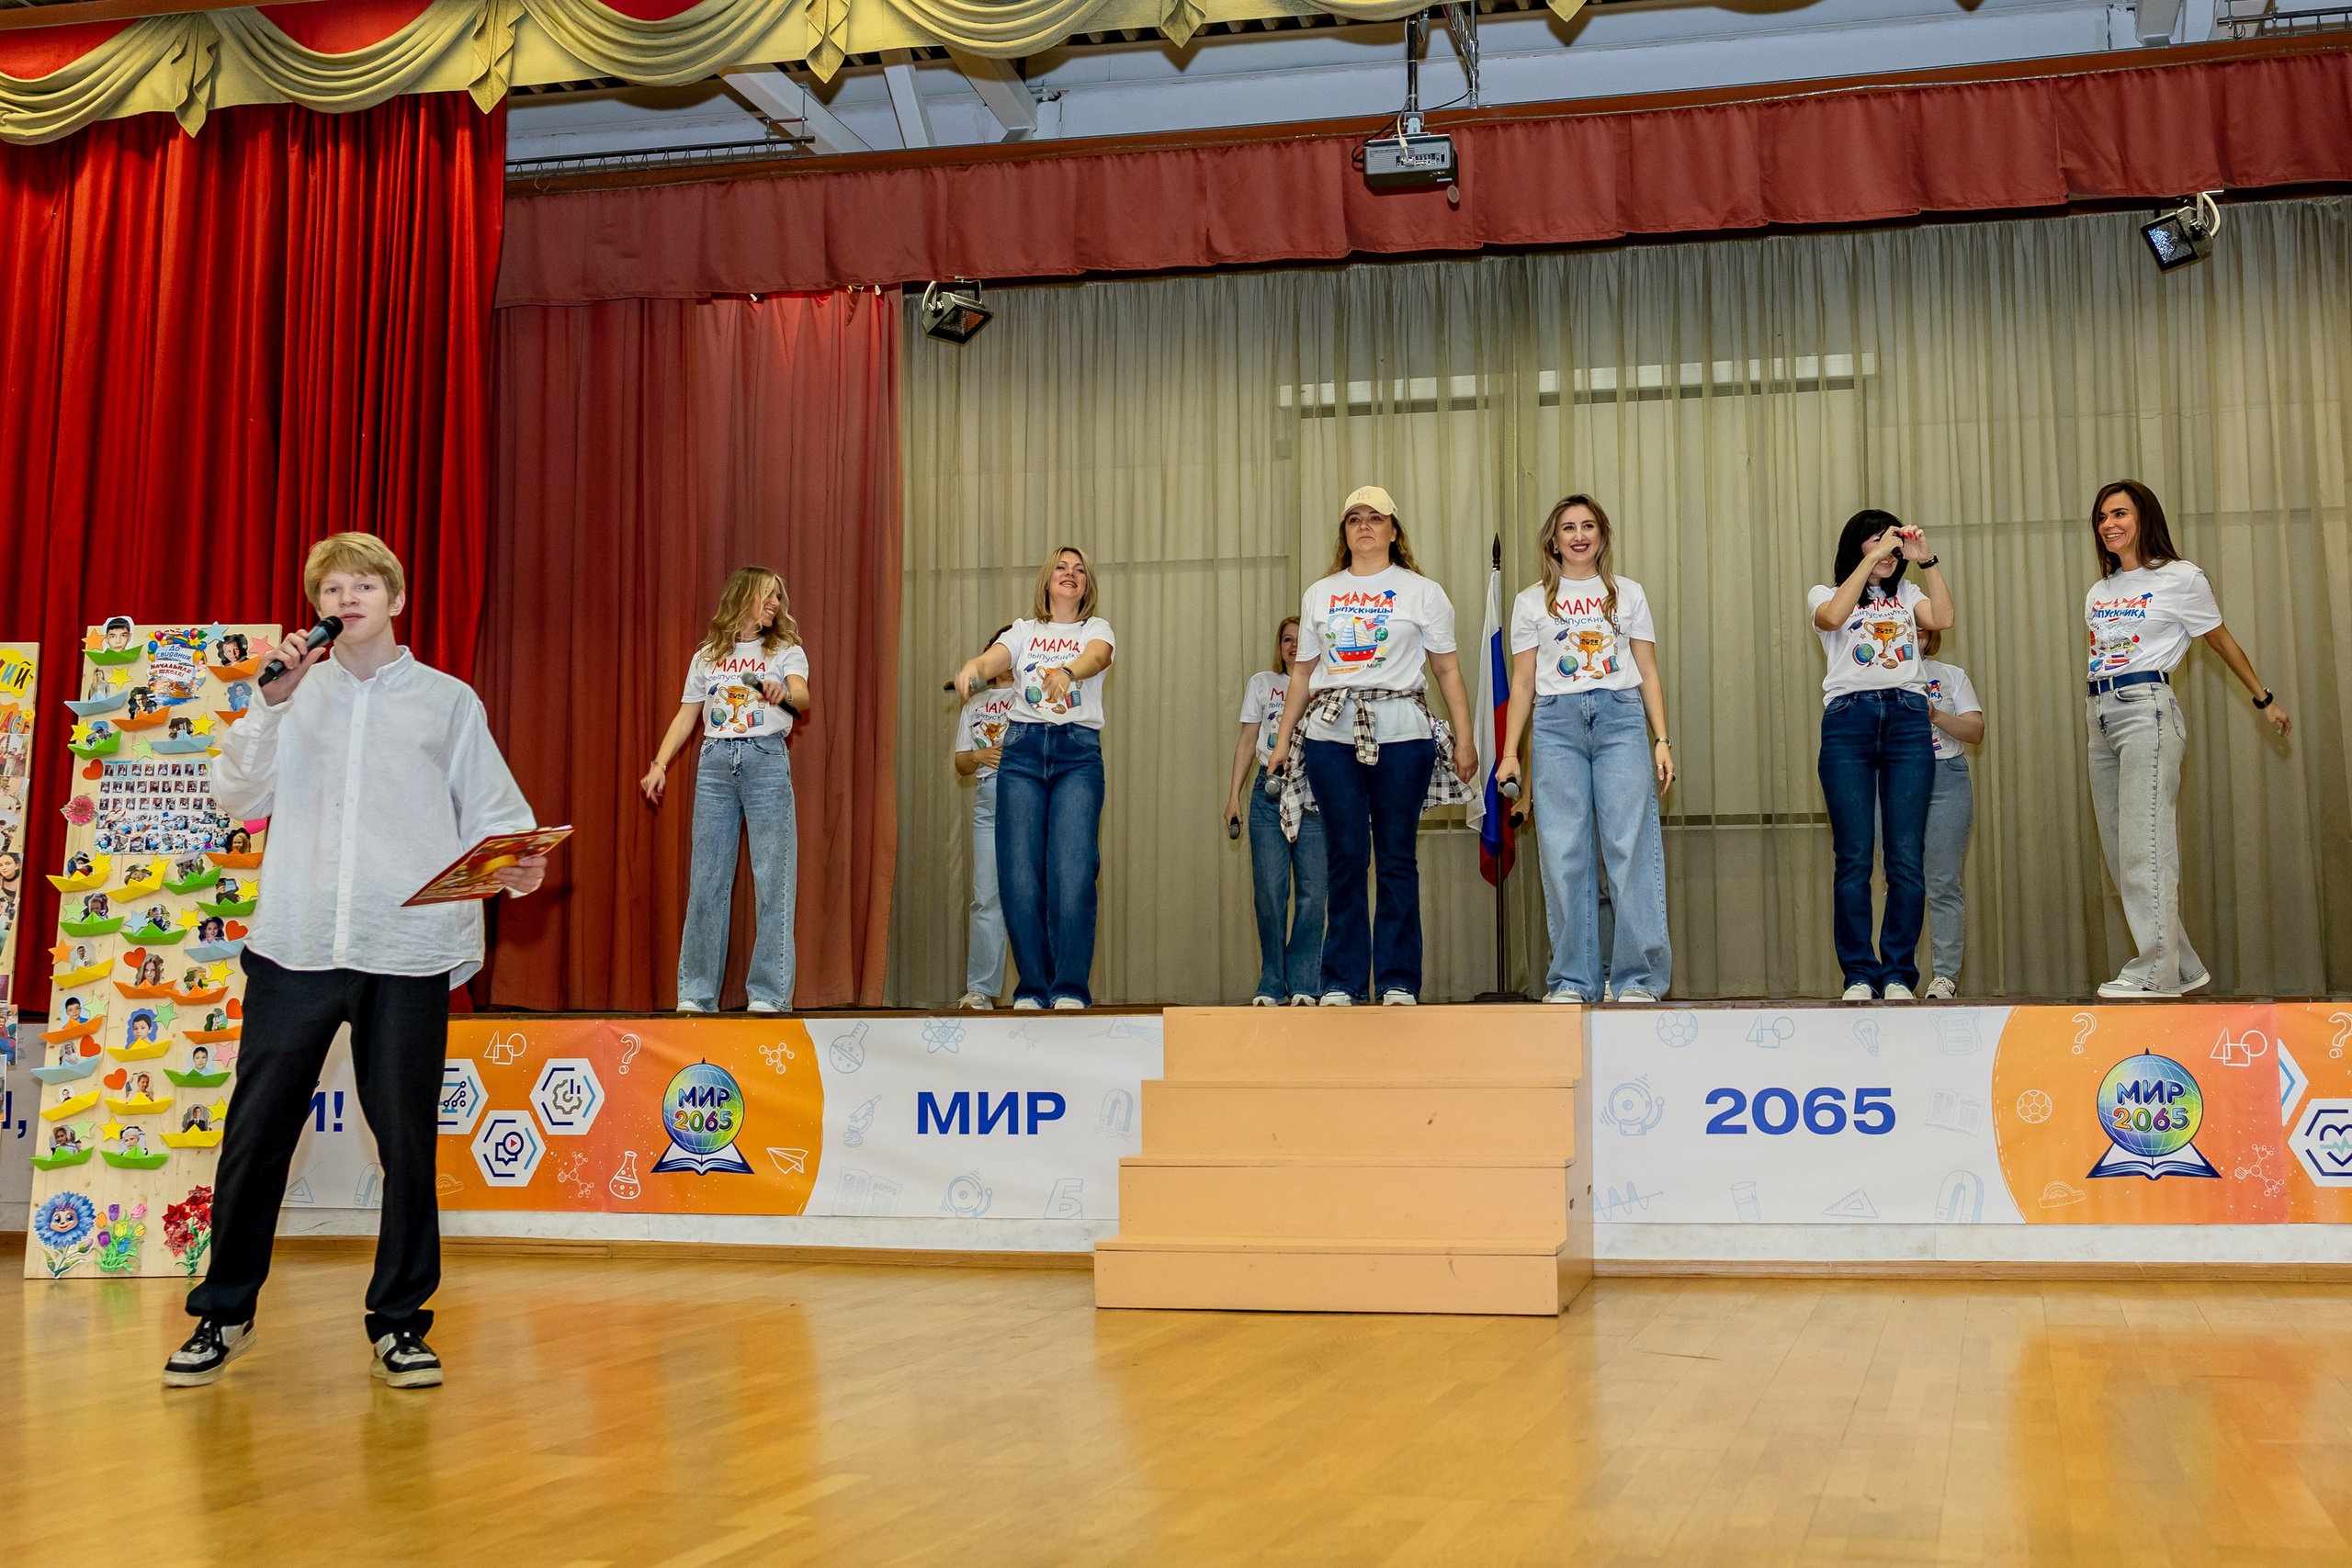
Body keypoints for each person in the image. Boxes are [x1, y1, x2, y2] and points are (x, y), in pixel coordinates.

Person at [167, 531, 545, 1393]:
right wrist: (268, 703)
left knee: (407, 1143)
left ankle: (402, 1323)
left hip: (404, 950)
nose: (347, 596)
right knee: (256, 1134)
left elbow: (497, 813)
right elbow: (234, 795)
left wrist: (519, 861)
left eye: (364, 583)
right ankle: (222, 1312)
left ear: (396, 599)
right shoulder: (291, 697)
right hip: (295, 943)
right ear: (318, 606)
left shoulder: (448, 701)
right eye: (332, 586)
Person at [1266, 487, 1476, 1006]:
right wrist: (1282, 741)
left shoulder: (1423, 592)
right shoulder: (1320, 593)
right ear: (1344, 532)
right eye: (1354, 519)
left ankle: (1399, 980)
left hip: (1404, 733)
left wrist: (1466, 738)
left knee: (1397, 857)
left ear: (1393, 530)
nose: (1364, 526)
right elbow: (1301, 676)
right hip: (1330, 735)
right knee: (1344, 857)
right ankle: (1340, 980)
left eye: (1375, 518)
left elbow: (1447, 669)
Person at [2084, 480, 2290, 997]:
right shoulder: (2099, 589)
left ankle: (2157, 973)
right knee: (2118, 851)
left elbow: (2220, 639)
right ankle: (2183, 966)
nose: (2109, 524)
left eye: (2119, 514)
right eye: (2102, 517)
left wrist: (2263, 699)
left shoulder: (2180, 578)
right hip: (2099, 715)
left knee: (2144, 847)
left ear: (2143, 517)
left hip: (2146, 712)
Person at [1495, 494, 1675, 1006]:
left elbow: (1648, 672)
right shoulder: (1532, 601)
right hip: (1556, 726)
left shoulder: (1628, 594)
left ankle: (1636, 979)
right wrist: (1511, 752)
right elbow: (1524, 682)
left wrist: (1661, 739)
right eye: (1568, 527)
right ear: (1553, 539)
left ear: (1602, 535)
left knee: (1629, 847)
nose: (1579, 535)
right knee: (1563, 852)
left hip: (1620, 719)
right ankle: (1574, 979)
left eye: (1588, 526)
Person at [639, 568, 811, 1015]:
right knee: (707, 881)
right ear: (744, 596)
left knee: (775, 878)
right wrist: (659, 763)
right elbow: (686, 717)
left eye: (778, 596)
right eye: (767, 595)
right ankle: (695, 996)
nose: (775, 603)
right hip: (715, 765)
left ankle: (769, 996)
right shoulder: (707, 656)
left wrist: (780, 691)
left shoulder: (786, 650)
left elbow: (802, 699)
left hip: (765, 761)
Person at [951, 548, 1115, 1010]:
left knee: (1074, 870)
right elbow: (991, 660)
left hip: (1077, 752)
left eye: (1080, 570)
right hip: (1022, 752)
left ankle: (1068, 988)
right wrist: (973, 668)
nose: (1070, 574)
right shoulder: (1025, 631)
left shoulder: (1094, 630)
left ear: (1086, 586)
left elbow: (1098, 658)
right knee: (1019, 874)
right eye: (1062, 568)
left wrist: (1067, 671)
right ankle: (1032, 987)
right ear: (1047, 581)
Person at [1808, 510, 1954, 1001]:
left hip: (1907, 718)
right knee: (1852, 857)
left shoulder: (1909, 596)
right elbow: (1831, 618)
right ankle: (1857, 975)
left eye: (1895, 547)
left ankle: (1896, 974)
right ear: (1859, 547)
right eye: (1879, 544)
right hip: (1848, 720)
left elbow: (1946, 618)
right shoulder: (1825, 594)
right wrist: (1871, 555)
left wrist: (1925, 558)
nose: (1890, 554)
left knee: (1905, 858)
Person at [1223, 616, 1326, 1007]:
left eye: (1302, 640)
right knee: (1269, 892)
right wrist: (1233, 795)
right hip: (1268, 797)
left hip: (1314, 797)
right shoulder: (1262, 683)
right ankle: (1272, 981)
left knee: (1314, 894)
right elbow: (1248, 741)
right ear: (1279, 645)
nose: (1294, 646)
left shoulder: (1324, 684)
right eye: (1287, 639)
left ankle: (1304, 982)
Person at [952, 629, 1018, 1010]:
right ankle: (980, 989)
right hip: (987, 800)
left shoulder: (1030, 696)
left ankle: (1039, 988)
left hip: (1027, 796)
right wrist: (979, 756)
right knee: (985, 896)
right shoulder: (974, 704)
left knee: (1033, 894)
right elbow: (961, 763)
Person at [1916, 630, 1984, 999]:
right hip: (1893, 779)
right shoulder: (1874, 675)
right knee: (1901, 881)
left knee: (1942, 882)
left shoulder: (1951, 674)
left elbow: (1975, 730)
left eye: (1923, 628)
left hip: (1947, 778)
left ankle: (1944, 978)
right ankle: (1899, 975)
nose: (1914, 633)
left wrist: (1934, 714)